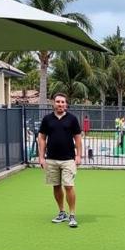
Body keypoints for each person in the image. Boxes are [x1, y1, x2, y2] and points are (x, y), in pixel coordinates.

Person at [37, 93, 82, 228]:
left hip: (68, 159)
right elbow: (42, 138)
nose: (60, 104)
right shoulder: (47, 119)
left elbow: (78, 138)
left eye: (63, 102)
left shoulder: (72, 119)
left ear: (66, 104)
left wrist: (79, 155)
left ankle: (72, 215)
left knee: (68, 186)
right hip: (51, 159)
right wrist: (41, 157)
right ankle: (62, 212)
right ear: (53, 103)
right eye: (58, 102)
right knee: (56, 186)